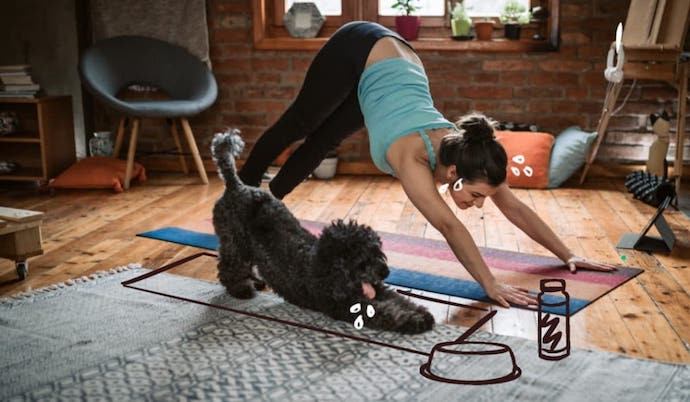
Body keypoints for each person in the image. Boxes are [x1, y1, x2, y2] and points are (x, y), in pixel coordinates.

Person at [239, 21, 618, 308]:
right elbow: (449, 225)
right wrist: (490, 284)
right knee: (302, 125)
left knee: (324, 141)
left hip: (394, 65)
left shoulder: (473, 157)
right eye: (475, 195)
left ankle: (266, 201)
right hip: (360, 47)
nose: (480, 204)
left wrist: (567, 254)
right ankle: (241, 192)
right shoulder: (413, 159)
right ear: (453, 175)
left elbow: (514, 207)